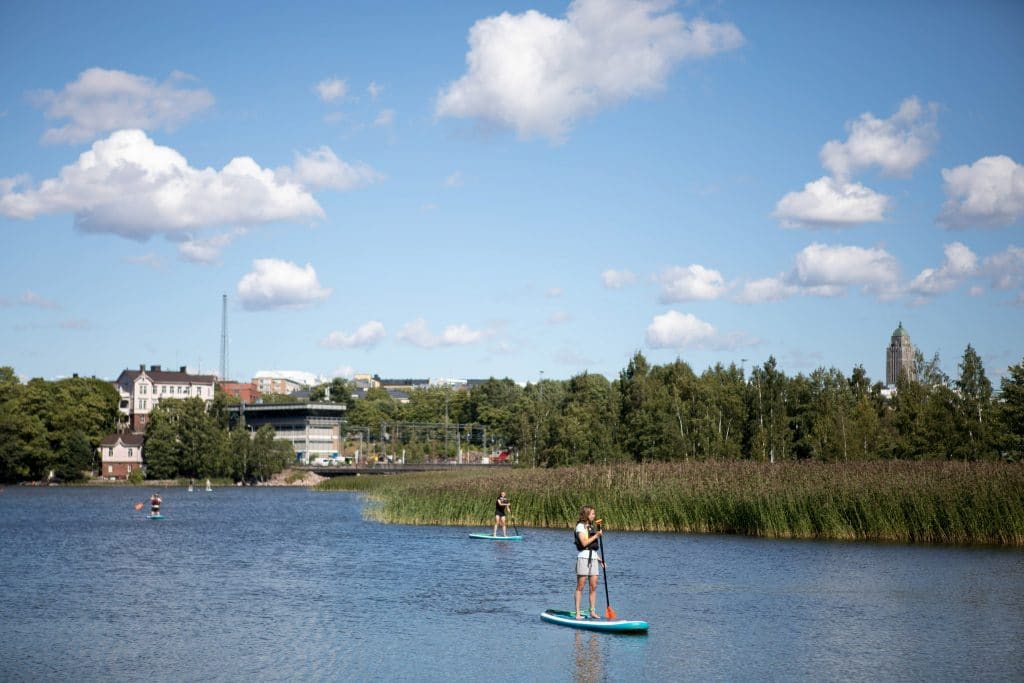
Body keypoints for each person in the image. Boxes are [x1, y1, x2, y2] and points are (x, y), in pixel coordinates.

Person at [574, 505, 605, 620]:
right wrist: (597, 535)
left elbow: (592, 548)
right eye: (592, 514)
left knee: (593, 586)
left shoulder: (591, 527)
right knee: (580, 586)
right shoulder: (580, 527)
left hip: (593, 558)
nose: (594, 516)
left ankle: (592, 611)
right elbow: (584, 543)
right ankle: (577, 613)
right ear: (587, 514)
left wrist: (600, 560)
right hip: (583, 558)